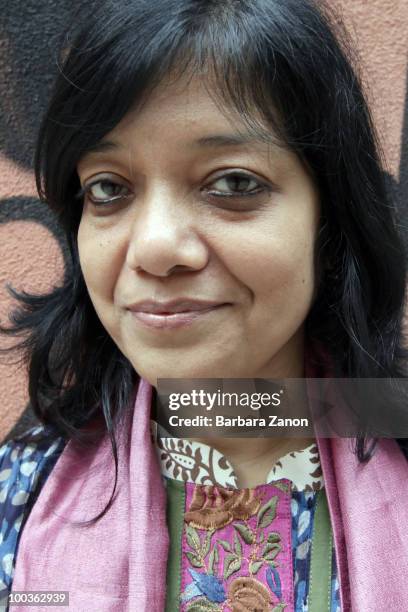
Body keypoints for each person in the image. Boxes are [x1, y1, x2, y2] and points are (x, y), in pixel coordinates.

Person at [0, 0, 407, 610]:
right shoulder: (21, 493)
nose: (157, 247)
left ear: (330, 218)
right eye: (108, 188)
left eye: (234, 183)